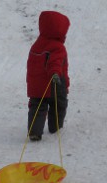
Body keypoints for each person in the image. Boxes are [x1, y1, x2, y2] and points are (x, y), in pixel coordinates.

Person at [26, 11, 70, 141]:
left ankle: (35, 132)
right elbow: (54, 63)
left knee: (37, 106)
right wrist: (55, 74)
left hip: (35, 84)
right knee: (59, 104)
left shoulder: (37, 44)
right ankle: (55, 127)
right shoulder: (58, 47)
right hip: (53, 82)